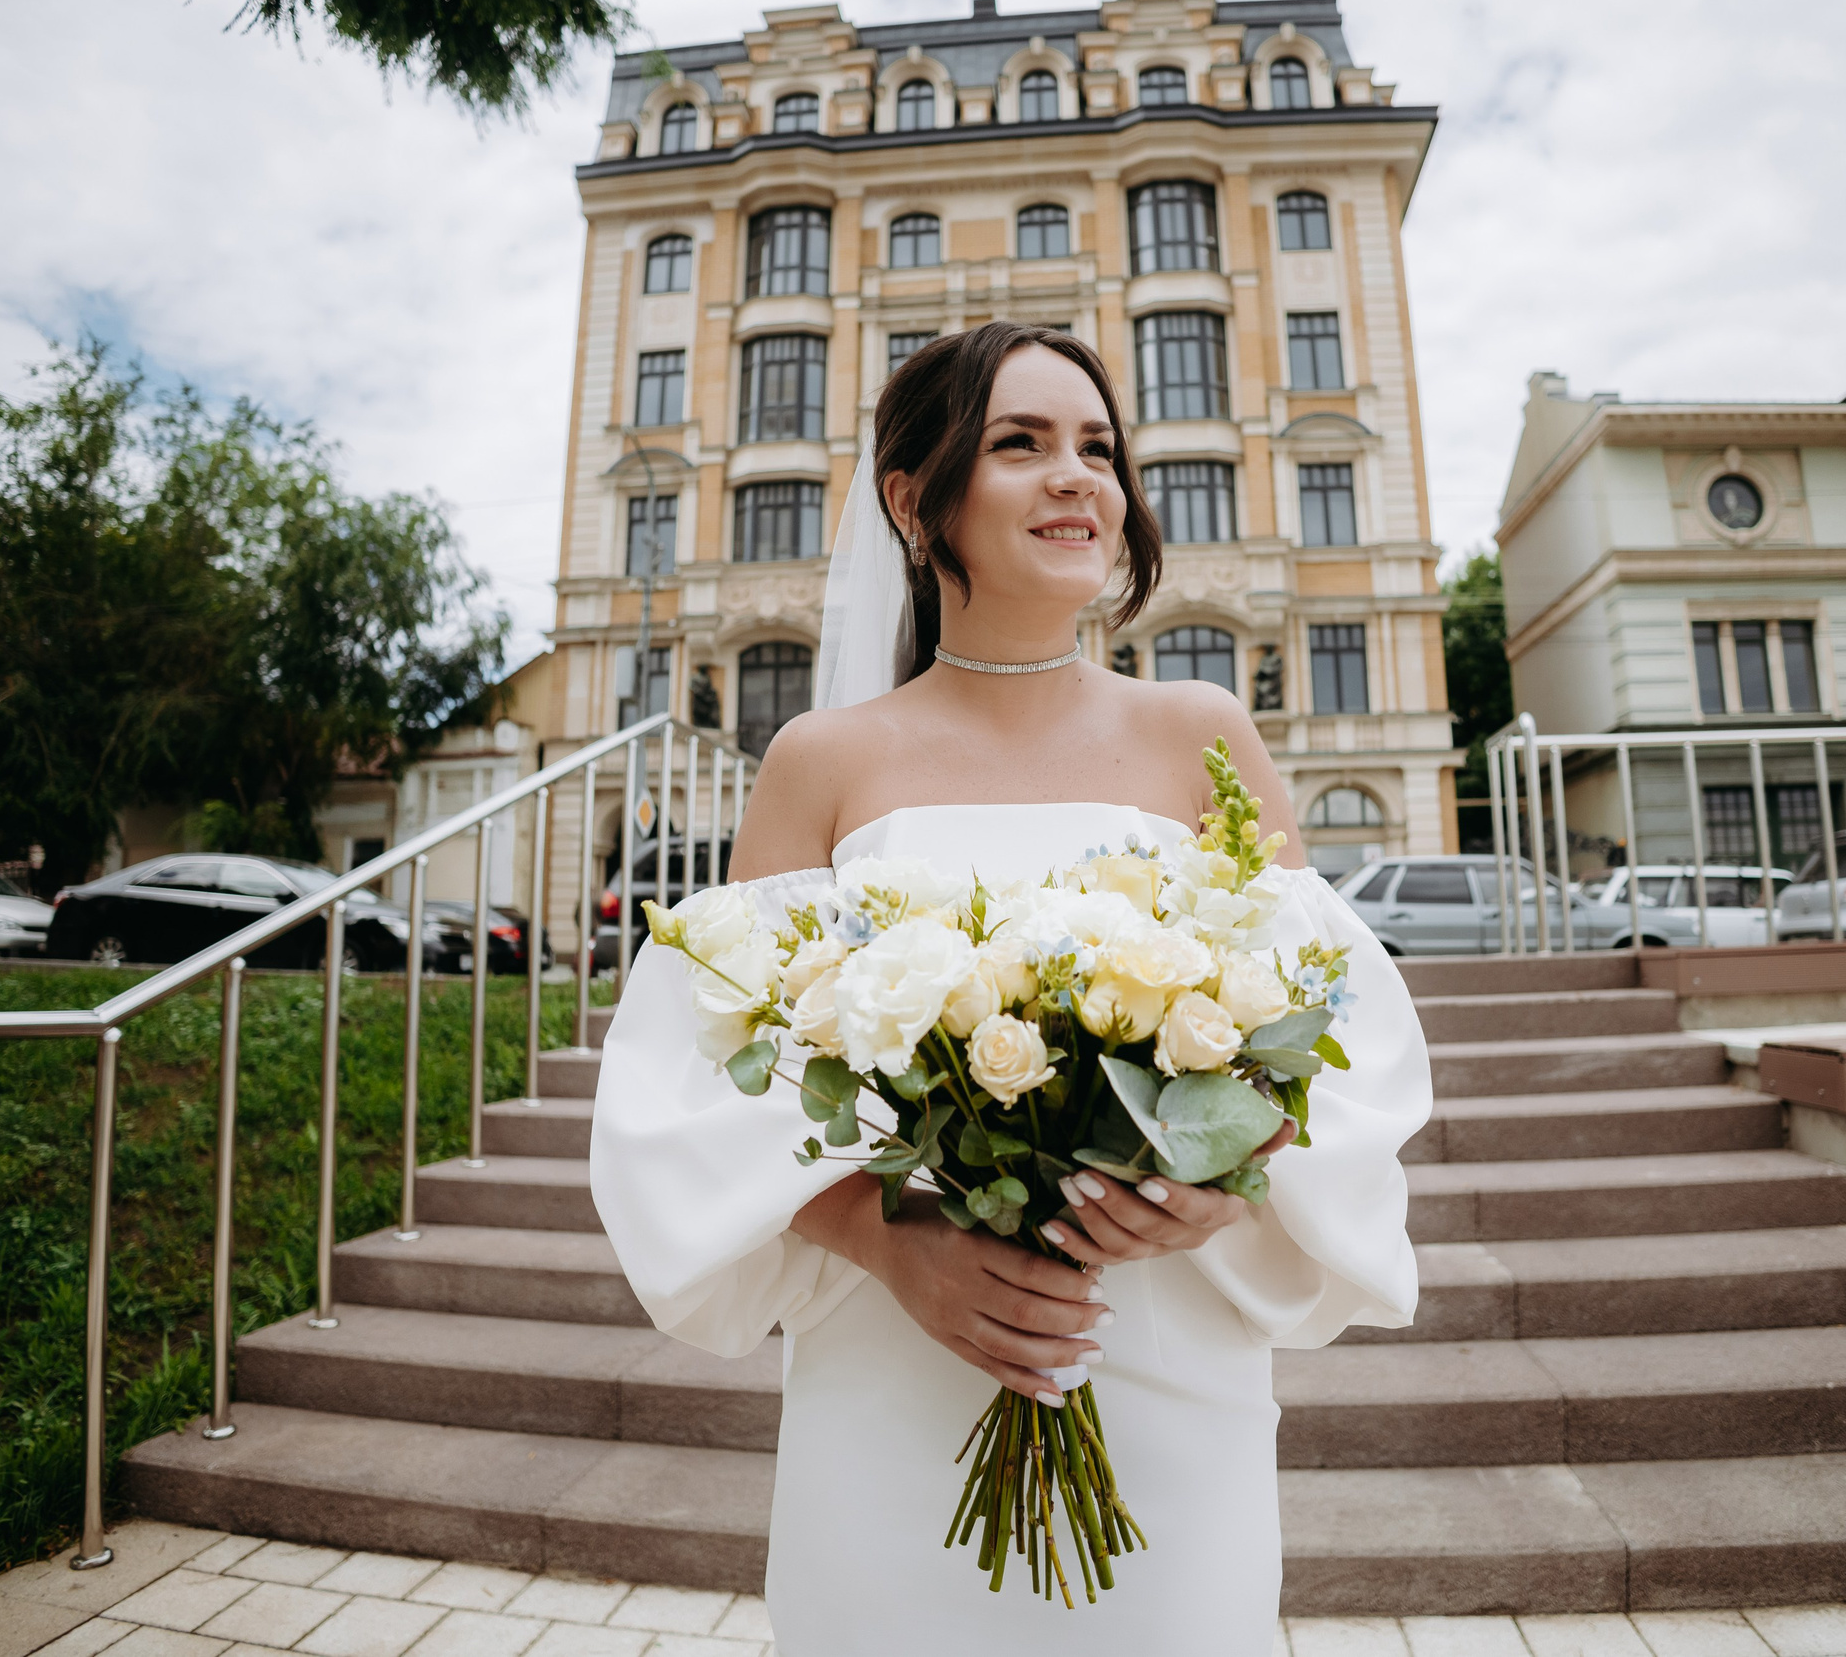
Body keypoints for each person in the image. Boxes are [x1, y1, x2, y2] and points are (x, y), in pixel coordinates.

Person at [592, 323, 1431, 1654]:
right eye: (1021, 444)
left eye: (1098, 448)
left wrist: (1213, 1190)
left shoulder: (1204, 734)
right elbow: (719, 1066)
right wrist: (889, 1242)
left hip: (1156, 1339)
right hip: (901, 1352)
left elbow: (1316, 1030)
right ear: (916, 501)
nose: (1077, 478)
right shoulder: (821, 761)